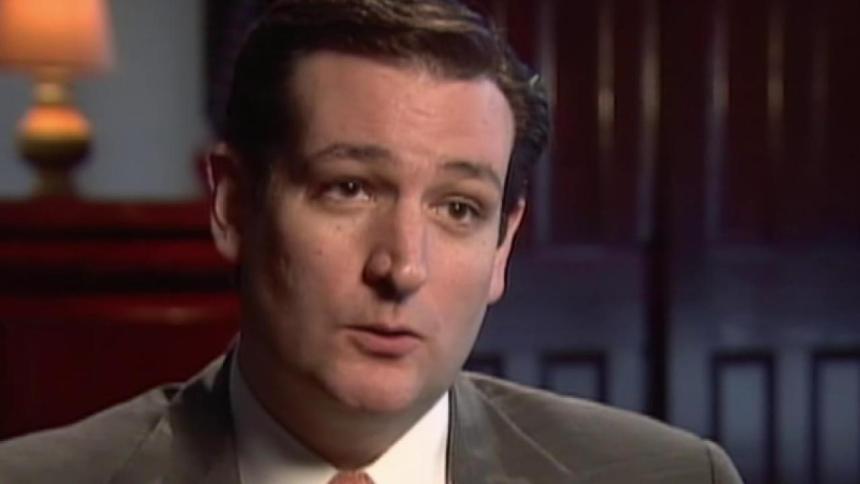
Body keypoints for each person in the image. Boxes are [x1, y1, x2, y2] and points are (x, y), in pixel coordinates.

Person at [0, 0, 743, 482]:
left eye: (459, 208)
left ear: (502, 247)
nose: (403, 266)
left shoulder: (671, 477)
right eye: (349, 188)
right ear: (233, 205)